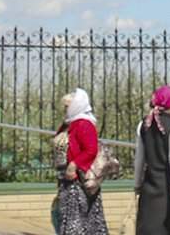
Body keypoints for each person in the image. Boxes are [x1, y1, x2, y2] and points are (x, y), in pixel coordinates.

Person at [134, 85, 170, 235]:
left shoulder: (144, 124)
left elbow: (139, 157)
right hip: (169, 192)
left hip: (149, 188)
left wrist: (137, 183)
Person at [54, 88, 111, 235]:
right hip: (65, 179)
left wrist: (74, 165)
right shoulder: (68, 124)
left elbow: (90, 149)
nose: (65, 109)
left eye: (67, 106)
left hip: (78, 180)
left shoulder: (84, 124)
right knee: (67, 217)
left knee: (78, 220)